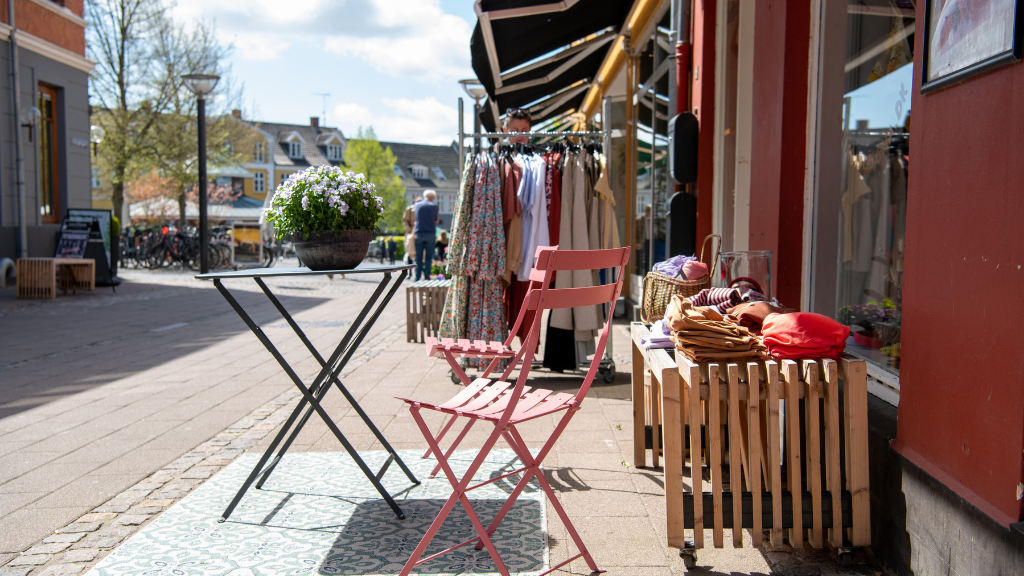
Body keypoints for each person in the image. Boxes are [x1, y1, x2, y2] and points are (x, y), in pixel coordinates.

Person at [413, 190, 440, 281]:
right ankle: (427, 277)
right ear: (432, 197)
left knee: (419, 257)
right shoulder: (434, 206)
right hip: (430, 232)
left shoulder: (417, 205)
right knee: (428, 257)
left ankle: (417, 277)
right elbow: (436, 220)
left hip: (419, 232)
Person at [402, 195, 421, 263]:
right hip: (411, 231)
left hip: (420, 231)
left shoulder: (423, 209)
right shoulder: (410, 209)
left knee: (419, 251)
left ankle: (417, 266)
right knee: (410, 250)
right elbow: (404, 220)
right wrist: (408, 229)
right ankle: (410, 267)